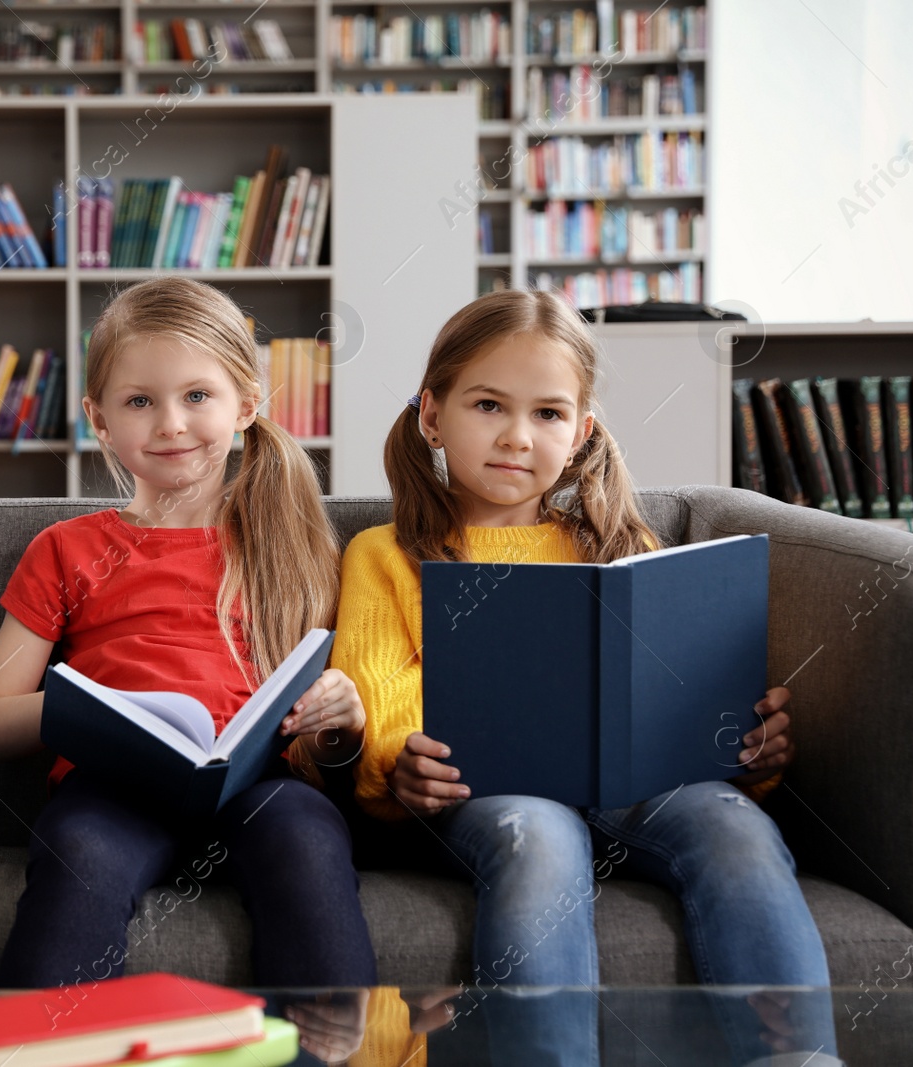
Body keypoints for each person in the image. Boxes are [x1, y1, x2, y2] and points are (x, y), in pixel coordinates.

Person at [335, 288, 834, 1061]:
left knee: (733, 825)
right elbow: (380, 698)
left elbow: (680, 684)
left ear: (581, 432)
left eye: (548, 414)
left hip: (634, 788)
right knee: (540, 833)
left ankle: (799, 1056)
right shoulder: (384, 551)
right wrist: (401, 758)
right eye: (489, 405)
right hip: (486, 792)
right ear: (432, 414)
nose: (516, 436)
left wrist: (743, 741)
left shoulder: (615, 538)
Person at [0, 276, 376, 988]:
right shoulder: (65, 548)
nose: (171, 424)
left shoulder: (291, 542)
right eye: (139, 401)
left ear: (245, 405)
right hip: (111, 788)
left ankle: (335, 1047)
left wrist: (341, 724)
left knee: (307, 840)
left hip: (261, 784)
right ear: (99, 418)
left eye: (197, 396)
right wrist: (86, 712)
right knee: (81, 853)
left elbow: (324, 743)